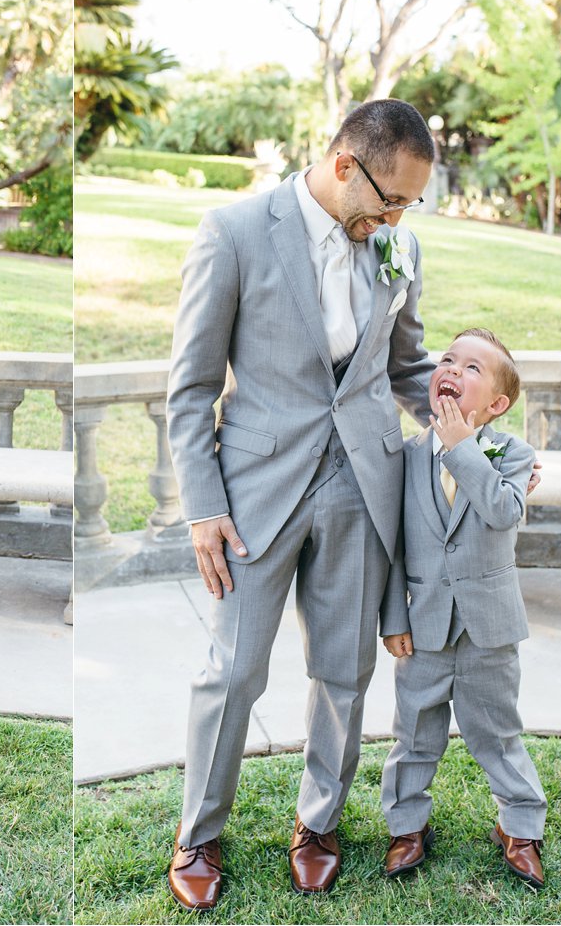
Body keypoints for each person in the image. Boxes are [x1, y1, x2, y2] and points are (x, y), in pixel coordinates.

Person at [163, 99, 439, 908]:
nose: (395, 219)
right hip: (253, 494)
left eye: (408, 207)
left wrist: (474, 430)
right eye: (389, 200)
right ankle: (199, 834)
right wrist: (202, 504)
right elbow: (190, 390)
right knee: (234, 669)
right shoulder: (235, 231)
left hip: (364, 487)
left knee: (344, 672)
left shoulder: (398, 246)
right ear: (345, 164)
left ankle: (317, 821)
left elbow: (406, 365)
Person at [379, 328, 547, 889]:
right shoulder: (404, 457)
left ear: (496, 404)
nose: (453, 369)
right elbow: (393, 546)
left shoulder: (514, 455)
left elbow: (502, 512)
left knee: (497, 732)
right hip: (423, 624)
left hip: (489, 628)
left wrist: (462, 449)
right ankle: (407, 826)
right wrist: (394, 617)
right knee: (414, 732)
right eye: (448, 359)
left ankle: (520, 826)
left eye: (473, 368)